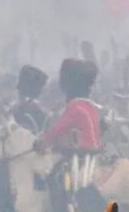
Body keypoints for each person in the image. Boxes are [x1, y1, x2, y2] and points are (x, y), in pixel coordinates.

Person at [39, 58, 106, 197]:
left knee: (53, 176)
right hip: (94, 151)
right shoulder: (90, 106)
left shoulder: (75, 107)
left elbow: (57, 130)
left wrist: (42, 143)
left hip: (79, 154)